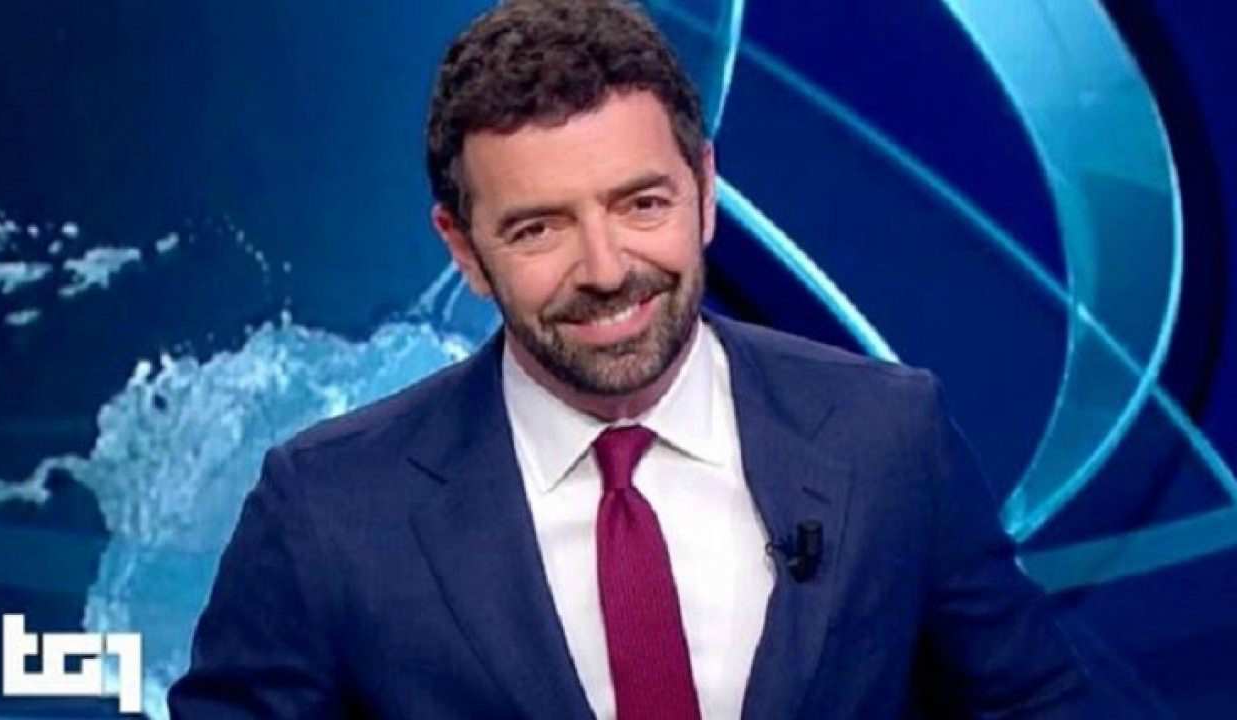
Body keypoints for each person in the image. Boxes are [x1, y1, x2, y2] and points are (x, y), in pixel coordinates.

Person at [169, 1, 1097, 717]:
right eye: (539, 229)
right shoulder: (328, 512)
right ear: (462, 249)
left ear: (705, 191)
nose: (607, 269)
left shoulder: (886, 436)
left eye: (642, 205)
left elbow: (1034, 706)